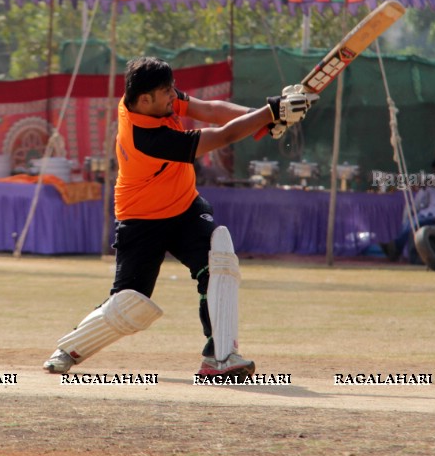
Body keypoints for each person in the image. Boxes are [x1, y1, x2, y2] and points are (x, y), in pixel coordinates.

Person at [42, 56, 315, 380]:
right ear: (145, 100)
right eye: (167, 92)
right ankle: (70, 349)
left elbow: (210, 109)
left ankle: (220, 358)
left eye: (172, 89)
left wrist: (267, 119)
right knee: (130, 302)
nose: (174, 96)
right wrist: (271, 113)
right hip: (141, 219)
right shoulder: (146, 137)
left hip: (185, 207)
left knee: (219, 263)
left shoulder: (152, 100)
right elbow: (223, 135)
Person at [382, 157, 435, 262]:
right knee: (409, 222)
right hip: (425, 214)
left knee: (414, 224)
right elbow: (419, 204)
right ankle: (396, 249)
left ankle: (395, 248)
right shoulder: (432, 182)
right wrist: (423, 189)